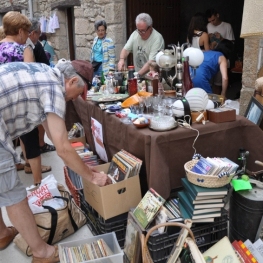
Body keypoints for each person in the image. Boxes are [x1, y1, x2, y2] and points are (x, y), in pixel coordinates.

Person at [0, 60, 109, 262]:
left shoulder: (45, 74)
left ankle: (2, 234)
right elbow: (63, 149)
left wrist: (67, 146)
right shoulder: (54, 89)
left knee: (1, 185)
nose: (73, 99)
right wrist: (92, 176)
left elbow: (54, 133)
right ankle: (42, 253)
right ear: (72, 80)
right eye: (77, 94)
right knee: (12, 193)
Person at [0, 12, 52, 184]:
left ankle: (20, 167)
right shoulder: (24, 49)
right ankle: (38, 183)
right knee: (31, 140)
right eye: (27, 32)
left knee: (13, 138)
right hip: (22, 103)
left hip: (3, 105)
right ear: (20, 31)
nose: (28, 36)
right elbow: (31, 81)